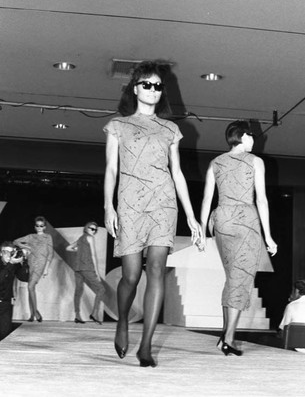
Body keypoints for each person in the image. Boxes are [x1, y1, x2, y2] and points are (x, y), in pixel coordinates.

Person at [103, 60, 200, 367]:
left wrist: (191, 215)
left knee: (156, 268)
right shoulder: (118, 125)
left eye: (159, 86)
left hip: (163, 201)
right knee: (131, 275)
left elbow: (178, 173)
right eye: (148, 84)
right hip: (130, 203)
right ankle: (121, 323)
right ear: (135, 88)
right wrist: (109, 206)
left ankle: (145, 345)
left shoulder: (170, 128)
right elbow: (111, 168)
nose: (154, 90)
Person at [200, 120, 277, 356]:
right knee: (240, 280)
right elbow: (261, 200)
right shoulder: (255, 162)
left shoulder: (215, 163)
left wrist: (202, 231)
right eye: (252, 137)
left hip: (220, 218)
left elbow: (206, 199)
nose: (254, 141)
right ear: (243, 137)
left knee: (232, 278)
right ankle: (229, 339)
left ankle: (226, 334)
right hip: (245, 219)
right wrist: (269, 236)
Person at [14, 216, 53, 322]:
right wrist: (26, 247)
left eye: (41, 225)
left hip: (41, 264)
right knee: (30, 288)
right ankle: (32, 315)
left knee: (30, 287)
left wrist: (46, 269)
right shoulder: (31, 236)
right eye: (37, 225)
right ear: (35, 226)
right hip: (31, 263)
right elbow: (15, 241)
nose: (39, 227)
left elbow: (50, 253)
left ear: (44, 227)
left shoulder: (47, 237)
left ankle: (35, 312)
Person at [66, 221, 106, 324]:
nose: (93, 231)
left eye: (95, 229)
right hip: (87, 268)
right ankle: (94, 313)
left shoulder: (80, 239)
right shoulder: (90, 238)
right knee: (101, 289)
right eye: (91, 228)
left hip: (78, 268)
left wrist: (79, 251)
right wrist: (97, 272)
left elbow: (68, 248)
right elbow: (93, 255)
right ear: (86, 228)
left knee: (78, 291)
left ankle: (77, 316)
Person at [0, 241, 29, 340]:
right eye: (6, 252)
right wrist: (11, 264)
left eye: (12, 252)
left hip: (6, 303)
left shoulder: (13, 264)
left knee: (5, 334)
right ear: (0, 253)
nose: (10, 255)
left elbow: (24, 278)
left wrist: (24, 261)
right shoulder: (9, 265)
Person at [279, 279, 305, 352]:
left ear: (297, 291)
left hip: (295, 348)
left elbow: (284, 329)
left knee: (265, 339)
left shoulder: (291, 306)